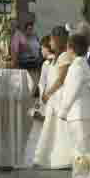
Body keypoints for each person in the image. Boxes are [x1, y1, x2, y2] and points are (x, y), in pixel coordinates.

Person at [56, 34, 90, 178]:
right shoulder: (83, 65)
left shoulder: (76, 67)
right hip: (82, 113)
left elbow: (71, 92)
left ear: (70, 49)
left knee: (80, 148)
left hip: (77, 114)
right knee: (82, 147)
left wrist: (63, 111)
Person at [33, 27, 73, 168]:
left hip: (59, 97)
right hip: (53, 99)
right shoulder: (55, 58)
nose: (50, 43)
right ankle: (45, 157)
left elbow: (61, 79)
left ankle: (63, 158)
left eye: (51, 39)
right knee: (50, 128)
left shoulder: (64, 56)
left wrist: (48, 93)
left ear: (58, 40)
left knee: (60, 129)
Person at [21, 35, 54, 166]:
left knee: (41, 130)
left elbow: (44, 84)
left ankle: (39, 158)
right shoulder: (46, 63)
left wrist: (41, 102)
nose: (41, 50)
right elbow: (41, 84)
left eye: (42, 48)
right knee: (39, 130)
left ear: (48, 48)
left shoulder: (48, 64)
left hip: (47, 101)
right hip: (44, 100)